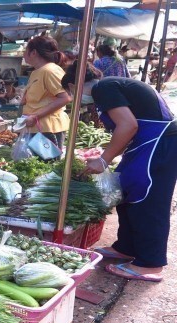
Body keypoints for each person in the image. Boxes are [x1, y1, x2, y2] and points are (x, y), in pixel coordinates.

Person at [62, 62, 177, 282]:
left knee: (148, 200)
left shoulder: (103, 88)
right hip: (146, 144)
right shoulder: (110, 86)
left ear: (72, 86)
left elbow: (128, 125)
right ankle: (126, 247)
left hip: (159, 144)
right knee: (126, 191)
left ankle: (149, 264)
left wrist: (104, 160)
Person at [21, 36, 72, 151]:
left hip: (48, 128)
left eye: (25, 51)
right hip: (36, 127)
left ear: (33, 52)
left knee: (46, 166)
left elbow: (65, 98)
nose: (24, 54)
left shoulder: (50, 71)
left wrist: (35, 116)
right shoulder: (37, 71)